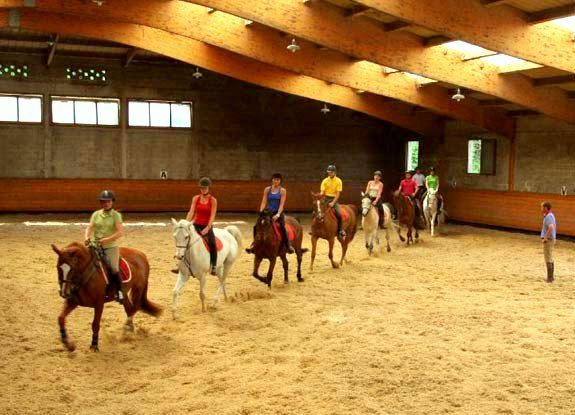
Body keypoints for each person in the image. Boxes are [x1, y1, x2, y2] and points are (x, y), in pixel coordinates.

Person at [84, 190, 125, 303]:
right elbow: (89, 227)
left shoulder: (116, 216)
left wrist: (106, 240)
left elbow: (120, 232)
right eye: (104, 202)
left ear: (112, 202)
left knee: (114, 268)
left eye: (109, 201)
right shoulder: (96, 214)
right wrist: (87, 237)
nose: (106, 204)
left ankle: (119, 291)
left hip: (110, 247)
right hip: (95, 245)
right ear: (101, 203)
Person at [173, 177, 218, 276]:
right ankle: (179, 265)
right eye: (201, 188)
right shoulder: (196, 198)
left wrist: (208, 227)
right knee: (184, 240)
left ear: (208, 188)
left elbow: (212, 215)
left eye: (205, 188)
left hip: (206, 226)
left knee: (212, 243)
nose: (203, 190)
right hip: (195, 224)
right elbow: (191, 212)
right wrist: (185, 223)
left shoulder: (213, 200)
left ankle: (213, 266)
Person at [246, 173, 294, 254]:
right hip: (268, 212)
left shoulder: (282, 191)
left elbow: (282, 204)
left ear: (280, 181)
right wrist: (261, 211)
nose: (276, 181)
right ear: (272, 180)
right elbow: (264, 201)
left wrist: (278, 214)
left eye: (278, 180)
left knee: (282, 227)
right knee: (256, 226)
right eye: (274, 179)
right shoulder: (267, 189)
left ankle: (287, 245)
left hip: (278, 212)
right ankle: (254, 245)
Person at [320, 165, 345, 238]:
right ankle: (314, 229)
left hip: (334, 199)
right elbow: (322, 191)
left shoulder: (338, 181)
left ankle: (340, 230)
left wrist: (333, 203)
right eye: (328, 172)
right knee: (317, 211)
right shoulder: (325, 180)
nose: (329, 174)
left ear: (334, 172)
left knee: (339, 214)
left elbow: (338, 194)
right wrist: (319, 196)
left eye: (330, 172)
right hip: (325, 198)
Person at [540, 201, 556, 283]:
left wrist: (545, 238)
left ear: (546, 208)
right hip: (551, 239)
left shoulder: (549, 216)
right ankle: (551, 277)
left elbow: (550, 227)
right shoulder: (549, 215)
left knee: (548, 258)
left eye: (542, 207)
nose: (541, 209)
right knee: (550, 257)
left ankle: (550, 278)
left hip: (548, 240)